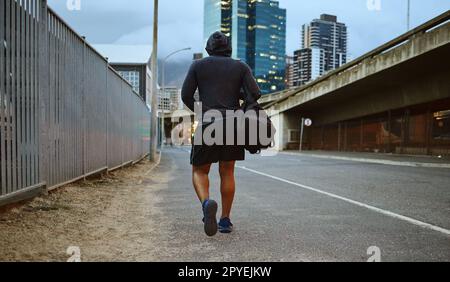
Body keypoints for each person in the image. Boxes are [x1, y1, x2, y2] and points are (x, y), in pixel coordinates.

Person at [181, 31, 261, 236]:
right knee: (227, 172)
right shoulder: (241, 66)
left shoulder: (198, 65)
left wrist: (202, 112)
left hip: (208, 121)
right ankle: (225, 221)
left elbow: (186, 95)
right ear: (229, 48)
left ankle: (207, 204)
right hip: (233, 125)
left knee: (200, 171)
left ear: (209, 48)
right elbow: (255, 93)